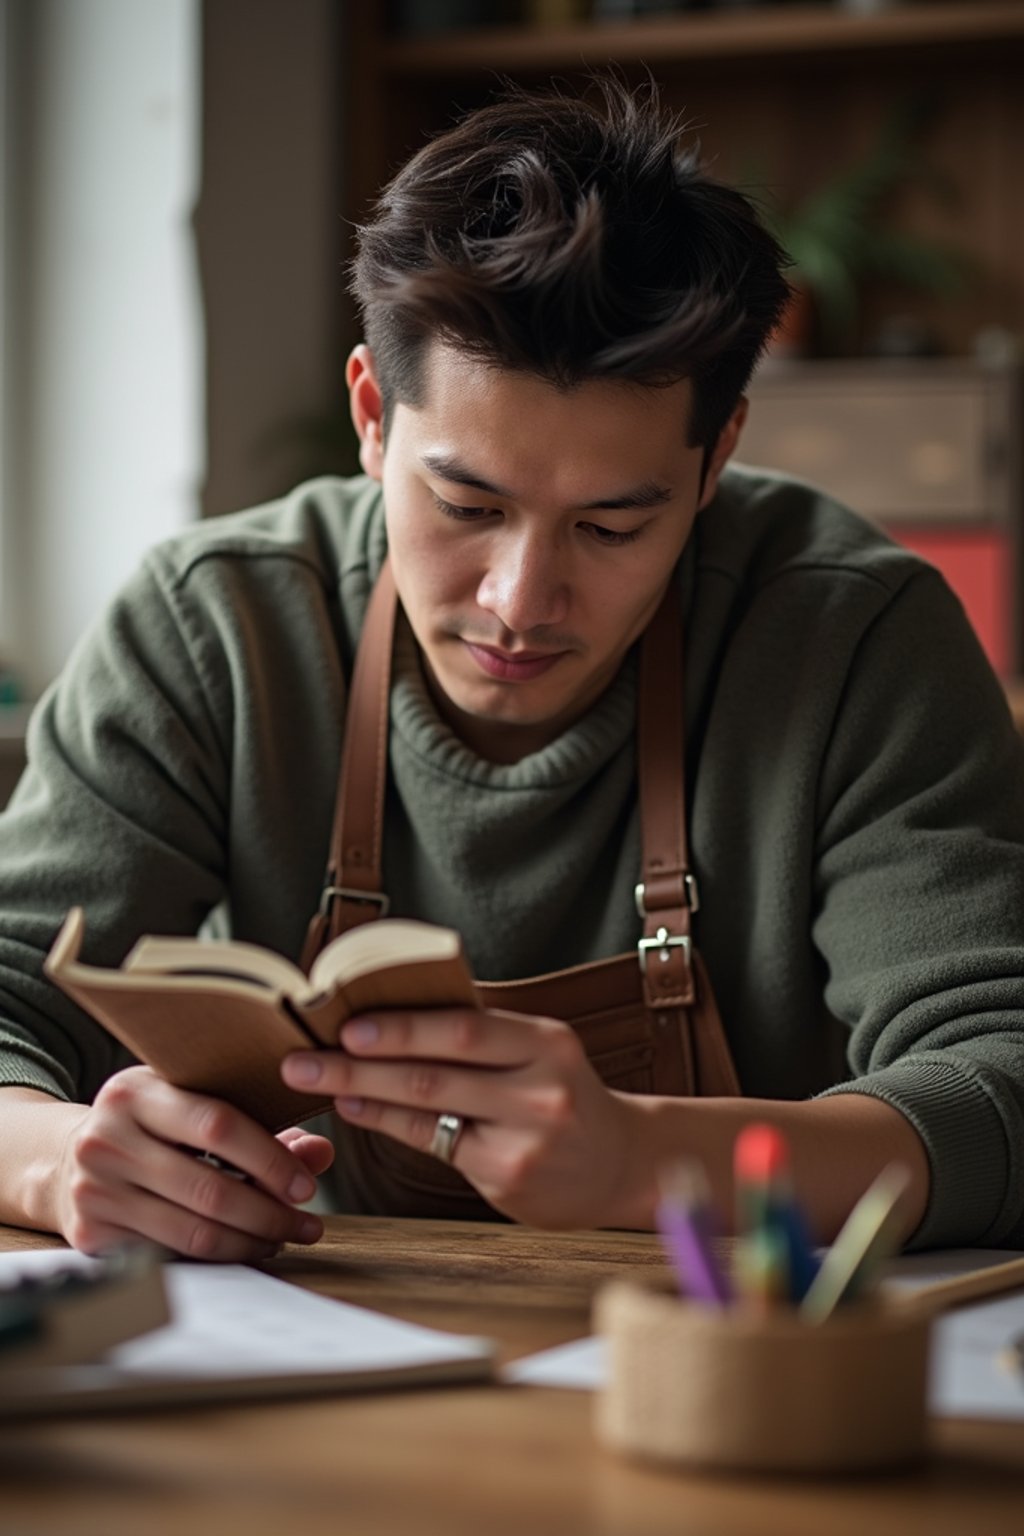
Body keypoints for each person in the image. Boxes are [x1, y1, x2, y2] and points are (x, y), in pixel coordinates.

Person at [1, 78, 1023, 1263]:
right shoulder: (213, 629)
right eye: (467, 504)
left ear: (716, 457)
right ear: (373, 416)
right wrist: (59, 1158)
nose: (519, 602)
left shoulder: (852, 638)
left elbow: (1000, 1073)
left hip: (726, 1366)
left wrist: (642, 1161)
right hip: (326, 1348)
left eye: (612, 526)